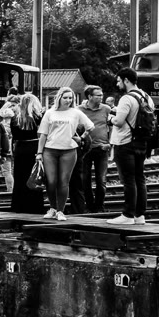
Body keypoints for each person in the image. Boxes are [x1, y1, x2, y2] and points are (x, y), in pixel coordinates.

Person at [36, 86, 94, 221]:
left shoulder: (75, 112)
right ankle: (52, 208)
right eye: (65, 98)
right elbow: (43, 134)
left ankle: (60, 211)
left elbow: (90, 126)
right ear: (59, 98)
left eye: (70, 98)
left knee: (64, 181)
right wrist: (39, 152)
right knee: (51, 181)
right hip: (50, 150)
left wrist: (81, 138)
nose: (68, 100)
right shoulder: (50, 113)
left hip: (69, 150)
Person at [109, 69, 151, 225]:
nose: (117, 84)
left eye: (119, 80)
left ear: (126, 80)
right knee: (140, 178)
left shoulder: (126, 98)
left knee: (128, 180)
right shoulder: (146, 97)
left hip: (124, 143)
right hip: (141, 142)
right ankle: (139, 215)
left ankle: (127, 215)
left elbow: (119, 122)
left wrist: (110, 118)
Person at [0, 89, 43, 214]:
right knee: (34, 177)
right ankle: (35, 206)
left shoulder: (16, 119)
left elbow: (14, 135)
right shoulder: (38, 118)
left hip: (20, 149)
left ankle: (19, 205)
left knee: (20, 178)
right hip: (34, 148)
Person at [77, 85, 113, 213]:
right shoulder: (79, 110)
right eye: (98, 95)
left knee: (101, 180)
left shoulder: (106, 109)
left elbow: (113, 126)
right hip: (85, 150)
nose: (101, 97)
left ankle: (99, 206)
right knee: (85, 179)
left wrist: (110, 143)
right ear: (89, 96)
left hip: (102, 148)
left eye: (102, 95)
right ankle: (89, 206)